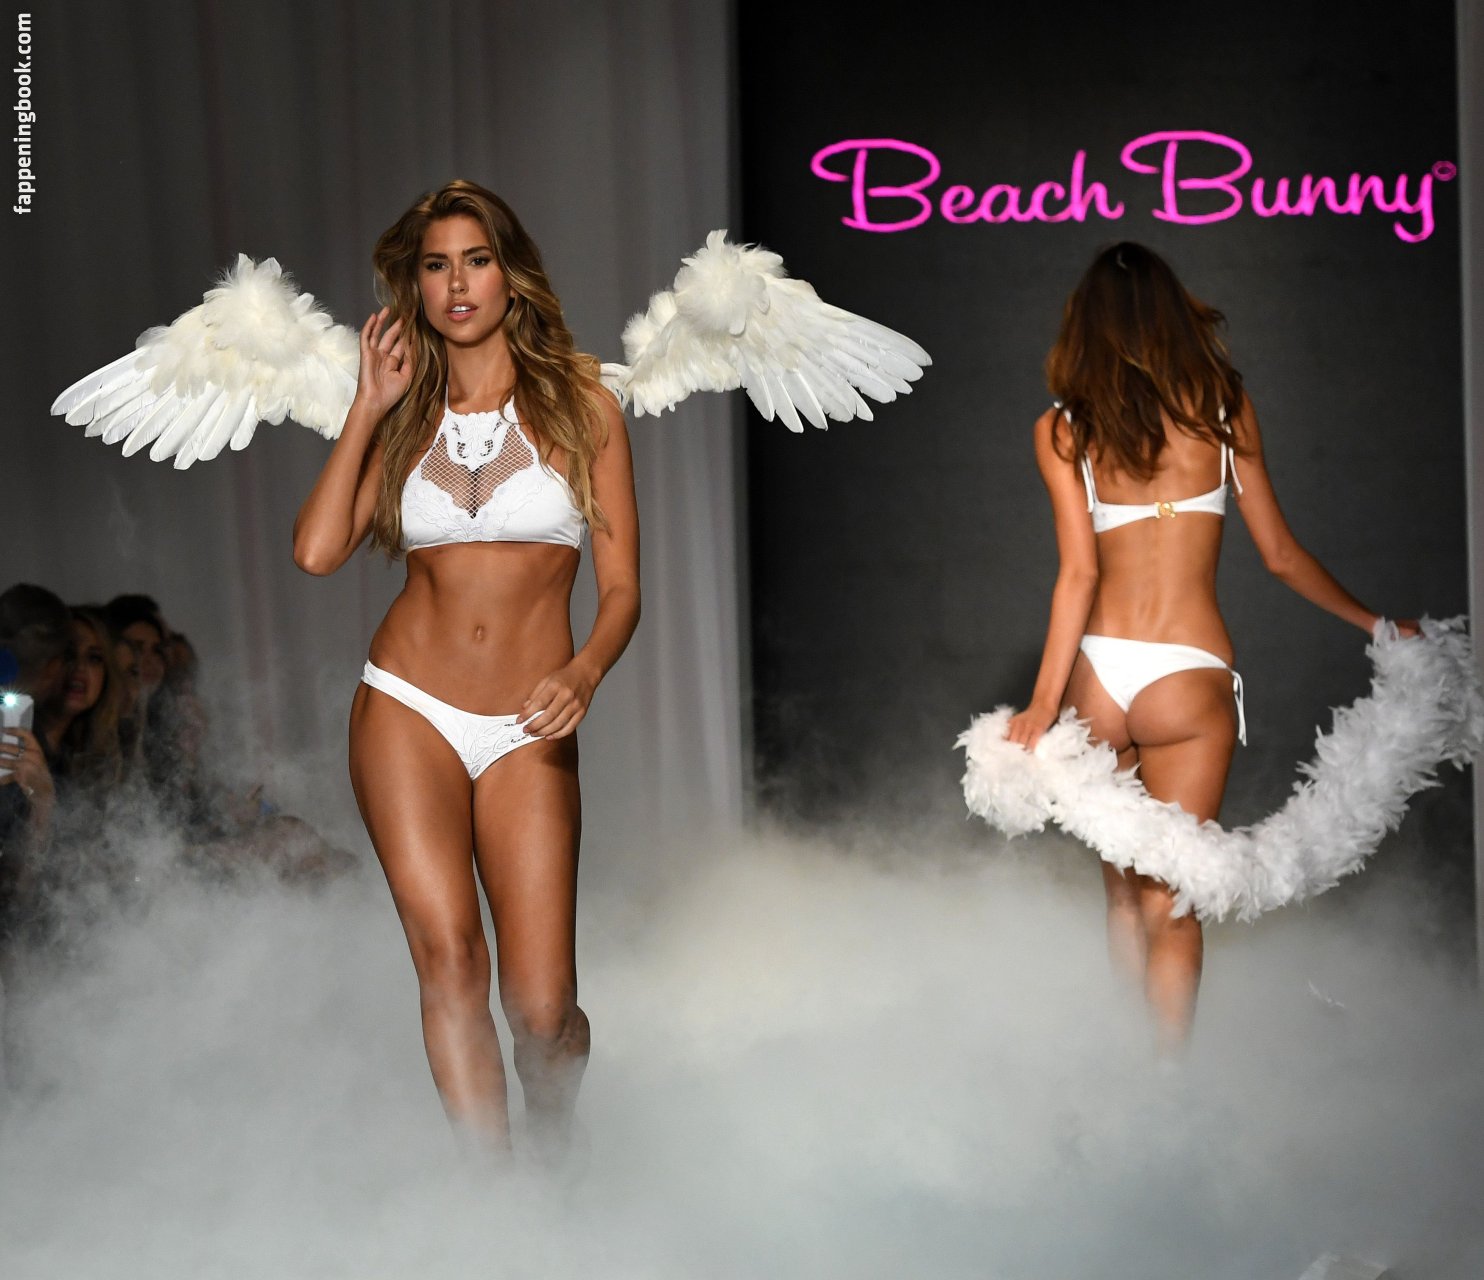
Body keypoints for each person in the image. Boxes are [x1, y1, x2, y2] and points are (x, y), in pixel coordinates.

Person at [292, 180, 640, 1156]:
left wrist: (585, 671)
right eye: (435, 265)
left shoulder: (584, 407)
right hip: (406, 706)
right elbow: (316, 551)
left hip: (529, 720)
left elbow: (621, 589)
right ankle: (491, 1209)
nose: (456, 284)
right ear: (415, 283)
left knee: (542, 1009)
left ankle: (556, 1148)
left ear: (510, 274)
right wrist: (367, 404)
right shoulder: (402, 416)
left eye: (475, 261)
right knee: (448, 958)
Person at [1004, 243, 1415, 1054]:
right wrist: (1376, 624)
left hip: (1100, 677)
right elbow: (1281, 557)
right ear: (1173, 313)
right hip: (1186, 675)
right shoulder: (1223, 410)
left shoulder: (1062, 430)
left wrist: (1044, 706)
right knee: (1174, 901)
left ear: (1084, 324)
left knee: (1124, 899)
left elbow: (1078, 574)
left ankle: (1130, 1079)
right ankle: (1169, 1092)